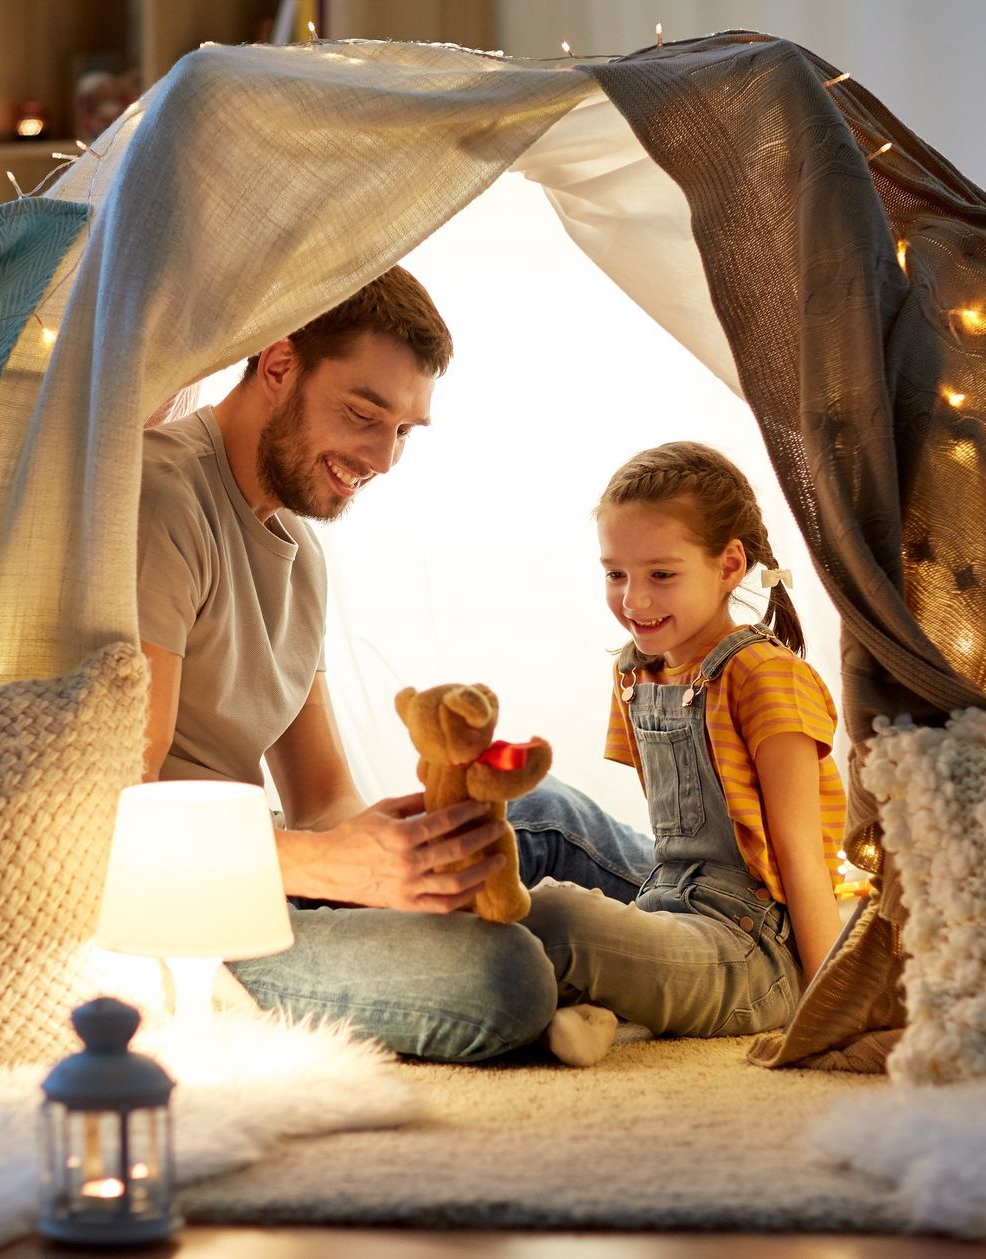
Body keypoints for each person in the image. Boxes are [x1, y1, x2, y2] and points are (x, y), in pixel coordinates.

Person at [135, 266, 655, 1062]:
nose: (383, 458)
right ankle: (655, 963)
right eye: (363, 414)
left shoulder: (301, 551)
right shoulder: (163, 498)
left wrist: (399, 845)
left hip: (274, 867)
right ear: (278, 365)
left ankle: (744, 930)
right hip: (190, 911)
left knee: (539, 814)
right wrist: (330, 864)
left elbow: (319, 795)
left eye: (405, 430)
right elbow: (116, 815)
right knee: (504, 977)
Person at [522, 441, 847, 1067]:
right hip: (668, 900)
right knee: (524, 843)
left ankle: (598, 1002)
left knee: (557, 916)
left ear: (729, 565)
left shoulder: (764, 676)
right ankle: (608, 1014)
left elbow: (801, 859)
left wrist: (831, 1007)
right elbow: (676, 845)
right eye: (616, 574)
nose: (634, 601)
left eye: (661, 575)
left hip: (756, 950)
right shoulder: (636, 673)